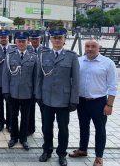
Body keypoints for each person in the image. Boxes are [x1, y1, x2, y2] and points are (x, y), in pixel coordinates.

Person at [68, 39, 118, 166]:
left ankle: (99, 156)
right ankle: (83, 149)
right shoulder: (79, 61)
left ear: (99, 48)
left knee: (100, 129)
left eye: (93, 46)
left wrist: (109, 105)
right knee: (83, 127)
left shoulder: (108, 63)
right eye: (87, 46)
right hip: (82, 101)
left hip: (99, 102)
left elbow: (112, 86)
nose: (90, 48)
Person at [36, 27, 80, 166]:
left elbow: (76, 80)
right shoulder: (43, 55)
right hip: (47, 99)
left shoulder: (72, 56)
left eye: (59, 38)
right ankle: (47, 150)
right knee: (46, 127)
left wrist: (74, 100)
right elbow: (39, 78)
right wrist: (38, 95)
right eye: (54, 38)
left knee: (63, 129)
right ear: (50, 39)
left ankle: (62, 154)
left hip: (63, 100)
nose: (57, 40)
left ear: (64, 40)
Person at [2, 31, 38, 150]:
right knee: (13, 116)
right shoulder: (9, 55)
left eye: (24, 41)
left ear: (28, 42)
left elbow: (36, 77)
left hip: (27, 93)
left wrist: (35, 93)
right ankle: (13, 137)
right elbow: (5, 75)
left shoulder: (33, 57)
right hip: (13, 92)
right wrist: (6, 91)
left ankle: (23, 139)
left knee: (25, 117)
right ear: (15, 42)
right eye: (19, 41)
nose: (21, 43)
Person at [27, 30, 49, 135]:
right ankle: (30, 129)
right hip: (29, 86)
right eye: (33, 39)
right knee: (29, 110)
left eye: (37, 39)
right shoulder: (25, 50)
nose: (35, 41)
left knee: (44, 111)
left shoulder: (46, 51)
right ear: (30, 40)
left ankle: (45, 131)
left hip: (42, 86)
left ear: (40, 39)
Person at [0, 29, 14, 133]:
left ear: (8, 38)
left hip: (10, 83)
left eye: (5, 37)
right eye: (2, 37)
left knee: (10, 104)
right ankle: (1, 122)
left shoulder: (13, 50)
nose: (3, 39)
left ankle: (9, 124)